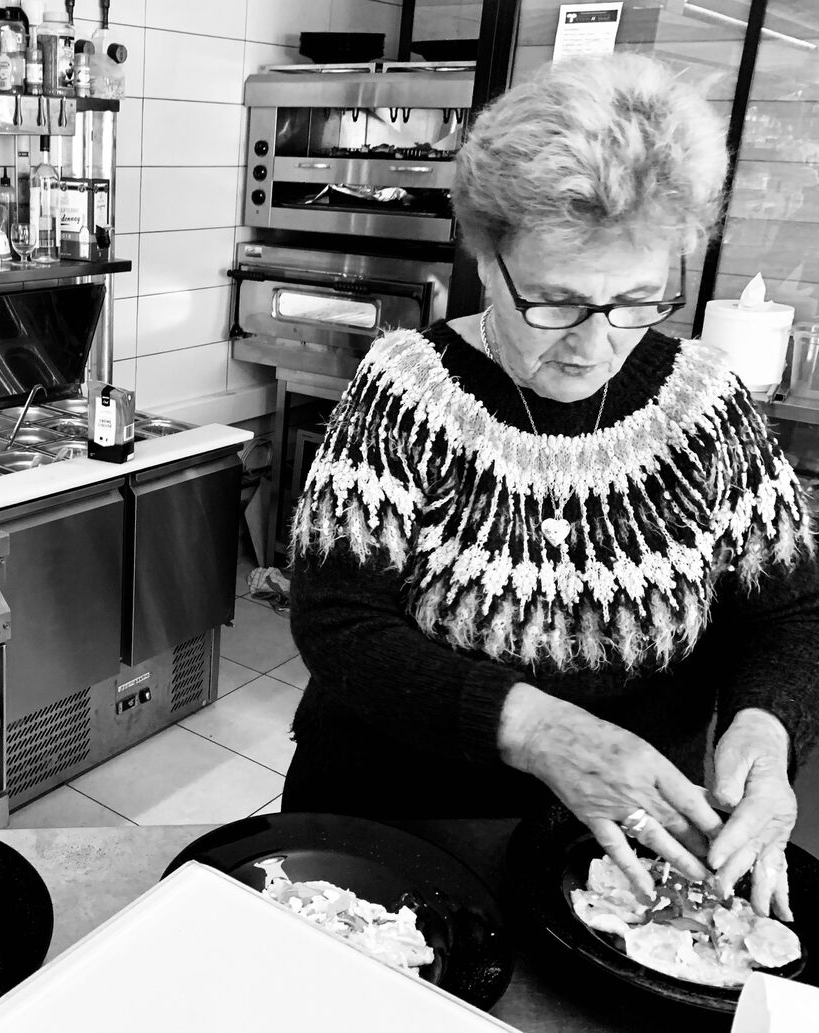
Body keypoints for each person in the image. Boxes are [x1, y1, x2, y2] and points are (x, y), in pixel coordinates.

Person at [283, 52, 819, 919]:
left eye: (638, 300)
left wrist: (767, 723)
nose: (595, 344)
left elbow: (789, 610)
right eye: (557, 302)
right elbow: (337, 620)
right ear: (487, 258)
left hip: (625, 853)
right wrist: (536, 729)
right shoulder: (407, 385)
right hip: (397, 829)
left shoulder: (708, 401)